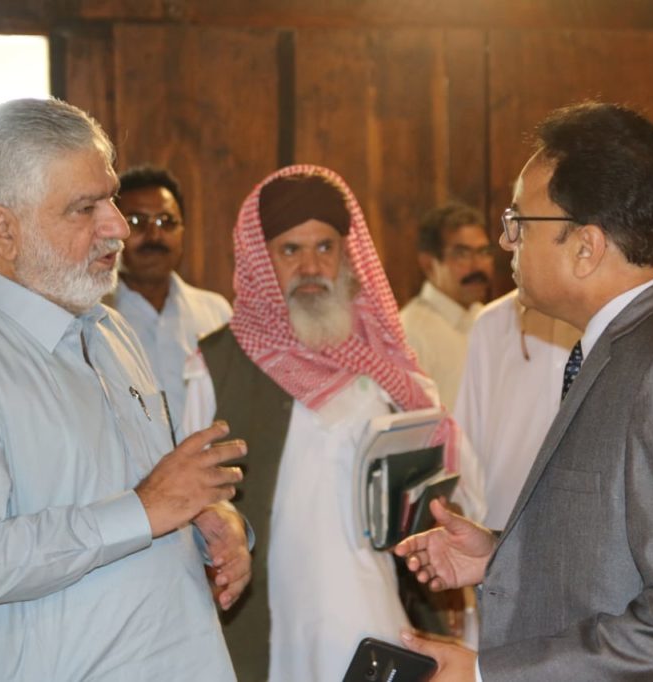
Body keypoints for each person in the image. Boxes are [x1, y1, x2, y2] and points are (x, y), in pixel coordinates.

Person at [395, 101, 653, 681]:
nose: (506, 241)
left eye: (519, 222)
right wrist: (504, 555)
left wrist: (489, 674)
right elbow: (628, 537)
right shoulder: (629, 345)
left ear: (586, 246)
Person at [0, 98, 251, 681]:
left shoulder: (109, 330)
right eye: (86, 208)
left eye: (111, 198)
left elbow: (144, 495)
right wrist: (144, 510)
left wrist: (207, 518)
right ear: (3, 229)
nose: (118, 226)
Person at [182, 165, 487, 682]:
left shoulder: (387, 366)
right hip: (266, 638)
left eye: (325, 247)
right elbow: (191, 501)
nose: (311, 266)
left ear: (347, 253)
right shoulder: (216, 366)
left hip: (375, 623)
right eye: (290, 250)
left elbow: (461, 489)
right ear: (260, 259)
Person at [112, 165, 231, 431]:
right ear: (113, 229)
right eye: (136, 222)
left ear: (183, 231)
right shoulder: (96, 318)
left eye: (166, 222)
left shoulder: (216, 313)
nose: (154, 236)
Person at [454, 290, 578, 530]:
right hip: (498, 528)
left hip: (583, 531)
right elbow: (466, 447)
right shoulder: (491, 324)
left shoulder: (609, 320)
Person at [400, 202, 495, 409]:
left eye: (483, 251)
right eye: (462, 254)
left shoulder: (491, 319)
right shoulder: (409, 332)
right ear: (428, 263)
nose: (477, 265)